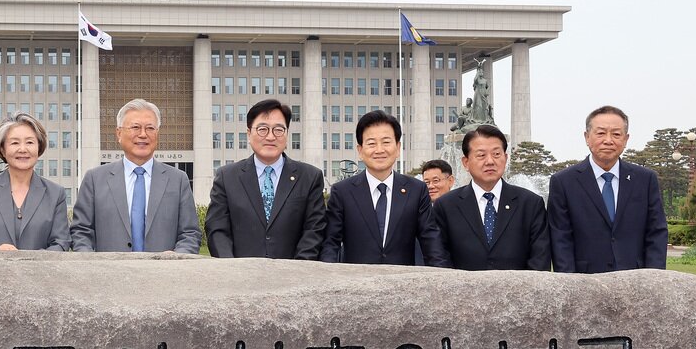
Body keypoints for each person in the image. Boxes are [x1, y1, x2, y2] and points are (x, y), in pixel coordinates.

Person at [71, 99, 201, 253]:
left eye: (150, 128)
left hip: (164, 273)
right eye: (135, 127)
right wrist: (94, 264)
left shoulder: (178, 180)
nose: (143, 134)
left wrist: (175, 261)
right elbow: (81, 232)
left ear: (157, 133)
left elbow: (190, 233)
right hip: (108, 273)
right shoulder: (95, 179)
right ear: (119, 133)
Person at [548, 105, 667, 272]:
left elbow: (656, 232)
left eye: (616, 134)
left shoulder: (645, 179)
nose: (608, 140)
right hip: (585, 283)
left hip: (636, 282)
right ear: (587, 137)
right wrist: (570, 284)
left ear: (626, 139)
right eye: (601, 133)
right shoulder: (563, 182)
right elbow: (561, 238)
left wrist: (654, 278)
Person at [320, 110, 446, 266]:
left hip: (403, 283)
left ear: (398, 147)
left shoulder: (416, 189)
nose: (379, 150)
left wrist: (440, 275)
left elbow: (431, 240)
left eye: (386, 142)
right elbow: (330, 243)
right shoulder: (342, 191)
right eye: (371, 143)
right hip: (355, 284)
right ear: (360, 150)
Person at [204, 98, 325, 259]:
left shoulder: (309, 177)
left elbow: (314, 230)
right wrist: (231, 269)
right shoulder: (227, 177)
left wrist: (297, 270)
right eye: (262, 129)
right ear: (249, 133)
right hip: (239, 276)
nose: (270, 136)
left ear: (287, 133)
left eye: (278, 130)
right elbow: (217, 228)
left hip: (294, 277)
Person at [434, 124, 550, 271]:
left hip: (518, 292)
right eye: (481, 155)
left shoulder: (531, 204)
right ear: (466, 162)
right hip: (463, 292)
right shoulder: (446, 206)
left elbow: (540, 260)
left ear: (506, 158)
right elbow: (439, 260)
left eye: (496, 154)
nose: (490, 161)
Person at [0, 114, 71, 251]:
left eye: (30, 142)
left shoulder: (56, 193)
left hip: (41, 272)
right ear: (2, 149)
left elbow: (61, 243)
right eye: (15, 143)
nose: (23, 149)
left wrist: (29, 261)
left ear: (39, 147)